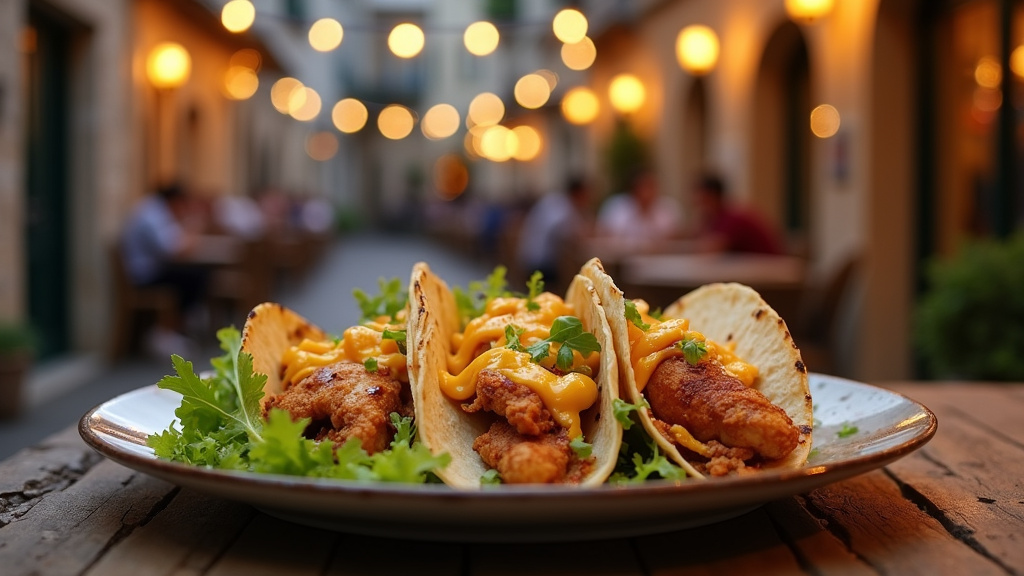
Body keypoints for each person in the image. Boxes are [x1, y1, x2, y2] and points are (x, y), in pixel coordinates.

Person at [119, 184, 209, 355]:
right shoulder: (152, 214)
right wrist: (192, 228)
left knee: (194, 276)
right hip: (143, 277)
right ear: (175, 200)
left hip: (147, 271)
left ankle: (176, 328)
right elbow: (173, 250)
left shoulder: (153, 210)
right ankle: (168, 332)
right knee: (195, 278)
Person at [516, 177, 594, 287]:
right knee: (575, 273)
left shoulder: (557, 201)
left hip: (530, 257)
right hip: (539, 263)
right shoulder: (562, 207)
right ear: (579, 193)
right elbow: (569, 235)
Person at [692, 173, 785, 254]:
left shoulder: (733, 217)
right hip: (756, 264)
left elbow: (711, 249)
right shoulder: (717, 217)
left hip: (770, 265)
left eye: (700, 196)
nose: (695, 201)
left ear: (712, 195)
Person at [595, 170, 683, 250]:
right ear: (633, 189)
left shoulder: (668, 208)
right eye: (643, 187)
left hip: (660, 259)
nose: (647, 193)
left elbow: (675, 239)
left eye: (651, 187)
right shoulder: (616, 207)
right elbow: (606, 238)